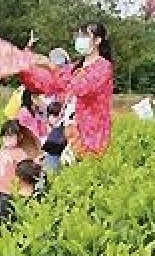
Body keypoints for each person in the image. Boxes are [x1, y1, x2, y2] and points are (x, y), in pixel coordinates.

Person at [19, 22, 114, 158]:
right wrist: (26, 64)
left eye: (85, 35)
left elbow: (82, 88)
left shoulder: (103, 67)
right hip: (65, 130)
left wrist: (52, 67)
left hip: (90, 135)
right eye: (79, 35)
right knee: (51, 170)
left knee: (81, 172)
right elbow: (48, 82)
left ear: (98, 40)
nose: (80, 39)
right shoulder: (75, 67)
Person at [0, 119, 32, 221]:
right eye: (5, 136)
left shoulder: (19, 152)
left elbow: (26, 169)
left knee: (8, 215)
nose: (7, 139)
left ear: (19, 137)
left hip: (11, 190)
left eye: (11, 136)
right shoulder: (1, 151)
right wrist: (1, 149)